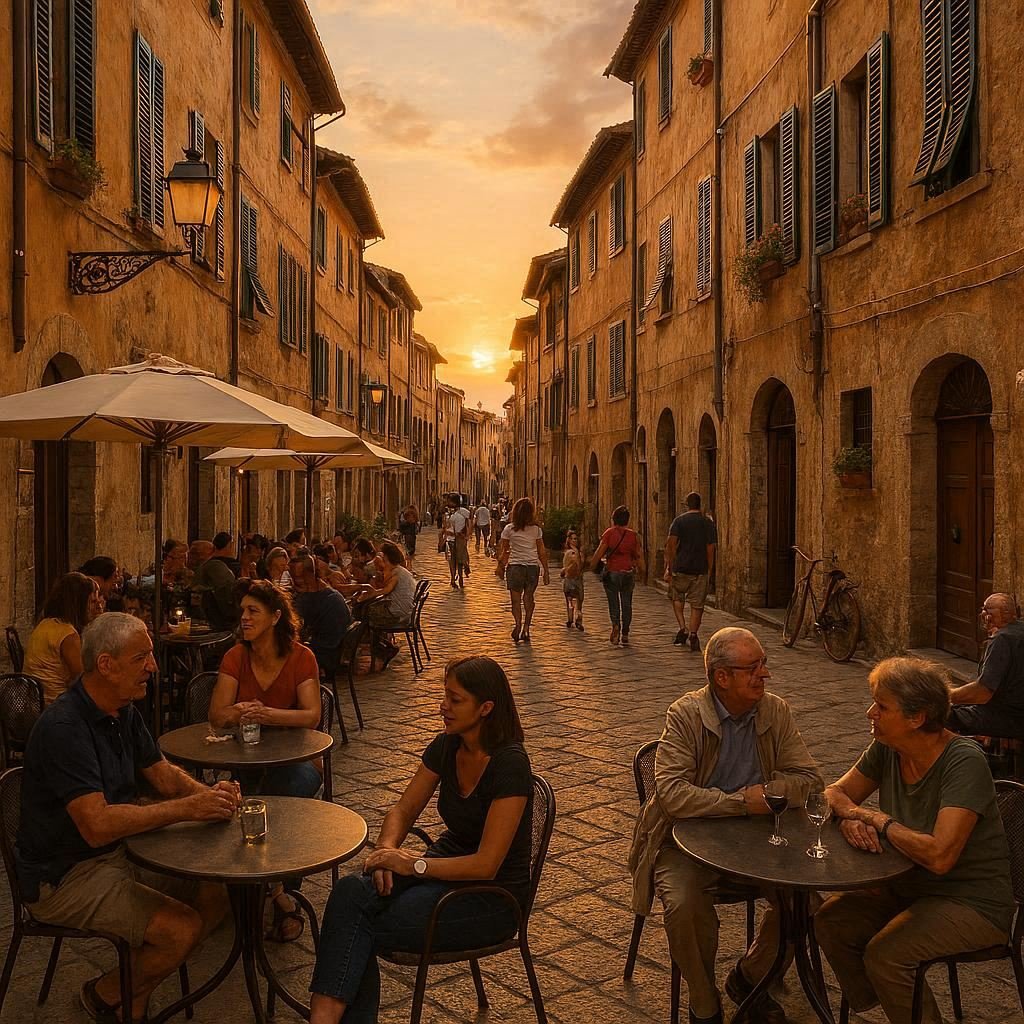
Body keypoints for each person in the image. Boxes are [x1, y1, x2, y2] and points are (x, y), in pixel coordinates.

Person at [16, 613, 236, 1024]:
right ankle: (105, 994)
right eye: (142, 657)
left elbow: (163, 775)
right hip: (63, 876)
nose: (153, 667)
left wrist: (208, 797)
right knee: (181, 929)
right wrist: (187, 809)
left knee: (214, 892)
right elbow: (96, 826)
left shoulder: (120, 708)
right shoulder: (65, 727)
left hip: (118, 855)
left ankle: (132, 992)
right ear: (106, 664)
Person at [308, 656, 532, 1024]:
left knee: (357, 927)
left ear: (486, 708)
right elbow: (403, 809)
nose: (443, 706)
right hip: (441, 872)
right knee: (351, 892)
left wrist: (415, 865)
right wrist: (387, 849)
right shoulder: (448, 745)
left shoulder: (509, 764)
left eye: (455, 699)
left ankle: (324, 1019)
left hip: (491, 897)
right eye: (445, 695)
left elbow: (487, 863)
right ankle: (325, 1020)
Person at [628, 627, 822, 1024]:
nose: (764, 675)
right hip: (684, 842)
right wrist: (740, 803)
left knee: (809, 904)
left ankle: (750, 976)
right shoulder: (686, 715)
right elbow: (672, 796)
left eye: (764, 665)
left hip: (760, 840)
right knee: (683, 904)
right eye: (753, 668)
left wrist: (767, 793)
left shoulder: (774, 711)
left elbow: (810, 781)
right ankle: (704, 1000)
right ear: (722, 677)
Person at [816, 657, 1014, 1024]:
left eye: (882, 706)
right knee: (831, 920)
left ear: (917, 717)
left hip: (969, 899)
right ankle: (885, 1008)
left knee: (886, 955)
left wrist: (876, 818)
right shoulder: (889, 746)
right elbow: (834, 793)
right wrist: (849, 818)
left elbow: (939, 856)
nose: (870, 712)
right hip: (909, 886)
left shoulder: (963, 762)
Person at [208, 579, 323, 943]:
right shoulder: (235, 657)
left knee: (285, 791)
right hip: (246, 758)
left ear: (275, 617)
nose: (244, 618)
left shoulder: (301, 657)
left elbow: (311, 716)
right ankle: (279, 894)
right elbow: (216, 715)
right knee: (240, 796)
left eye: (252, 611)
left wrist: (267, 714)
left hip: (296, 759)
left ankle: (266, 886)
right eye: (242, 611)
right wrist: (238, 711)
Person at [947, 593, 1024, 738]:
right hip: (1014, 711)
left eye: (985, 612)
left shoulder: (1001, 639)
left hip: (1010, 717)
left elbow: (982, 693)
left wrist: (944, 695)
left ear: (987, 617)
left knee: (939, 716)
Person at [25, 572, 103, 703]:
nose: (97, 607)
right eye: (91, 602)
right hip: (54, 704)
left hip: (34, 703)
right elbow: (83, 680)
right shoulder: (67, 635)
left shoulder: (46, 623)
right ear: (79, 603)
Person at [665, 492, 718, 652]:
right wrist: (709, 568)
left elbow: (671, 545)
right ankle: (694, 633)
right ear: (699, 504)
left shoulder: (679, 521)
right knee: (697, 604)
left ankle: (683, 627)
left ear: (687, 504)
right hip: (700, 569)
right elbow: (711, 548)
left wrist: (669, 566)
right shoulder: (707, 523)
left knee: (677, 597)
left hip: (681, 568)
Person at [353, 541, 417, 670]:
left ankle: (382, 649)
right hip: (402, 609)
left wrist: (370, 594)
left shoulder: (396, 572)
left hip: (398, 612)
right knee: (367, 612)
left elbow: (385, 590)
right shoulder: (398, 570)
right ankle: (381, 648)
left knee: (366, 616)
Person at [289, 554, 352, 677]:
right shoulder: (318, 594)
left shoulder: (321, 600)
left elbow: (297, 626)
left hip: (324, 656)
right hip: (324, 650)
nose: (294, 583)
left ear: (308, 577)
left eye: (297, 579)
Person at [590, 506, 645, 647]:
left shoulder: (609, 533)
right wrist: (642, 570)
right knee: (627, 604)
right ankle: (625, 633)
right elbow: (638, 556)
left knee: (613, 602)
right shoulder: (633, 536)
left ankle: (615, 626)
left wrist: (592, 566)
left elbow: (599, 553)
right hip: (627, 572)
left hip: (612, 572)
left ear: (613, 519)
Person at [496, 497, 549, 643]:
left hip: (515, 567)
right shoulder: (536, 530)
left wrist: (500, 566)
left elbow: (504, 550)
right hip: (532, 567)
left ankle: (518, 624)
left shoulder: (509, 529)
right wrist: (546, 571)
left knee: (515, 600)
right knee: (529, 598)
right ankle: (526, 627)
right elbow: (541, 551)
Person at [195, 534, 240, 631]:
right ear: (229, 545)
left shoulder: (204, 566)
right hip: (217, 618)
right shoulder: (216, 566)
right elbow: (225, 592)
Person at [560, 530, 585, 631]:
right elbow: (571, 566)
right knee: (570, 600)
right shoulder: (570, 552)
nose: (575, 540)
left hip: (578, 579)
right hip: (570, 579)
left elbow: (580, 566)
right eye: (573, 539)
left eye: (576, 539)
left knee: (579, 601)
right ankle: (571, 620)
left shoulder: (578, 553)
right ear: (569, 540)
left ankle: (575, 620)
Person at [444, 497, 471, 589]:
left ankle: (457, 578)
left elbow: (461, 530)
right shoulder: (450, 514)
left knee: (456, 560)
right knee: (455, 561)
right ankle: (456, 578)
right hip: (452, 540)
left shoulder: (459, 515)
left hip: (455, 540)